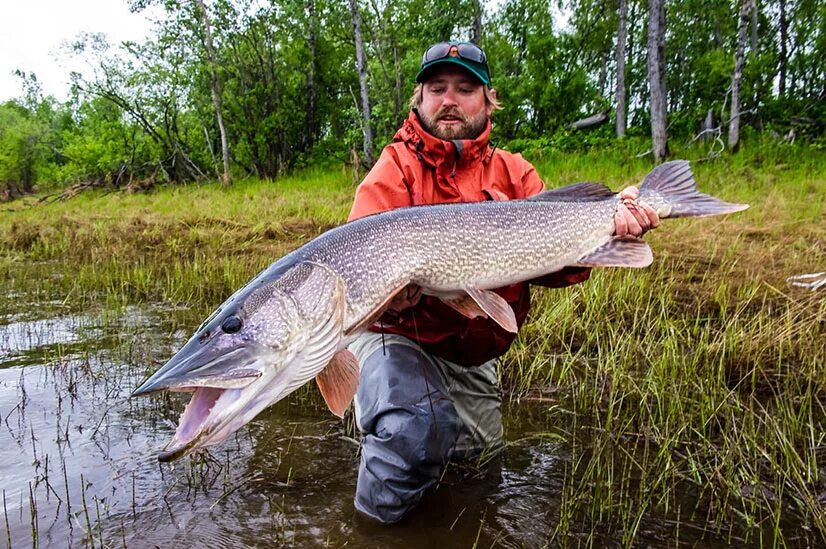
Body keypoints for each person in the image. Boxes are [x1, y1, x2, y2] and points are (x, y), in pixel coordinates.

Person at [346, 41, 659, 524]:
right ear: (420, 99)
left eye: (465, 88)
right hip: (399, 335)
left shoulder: (515, 173)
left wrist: (611, 226)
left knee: (477, 466)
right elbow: (361, 275)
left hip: (471, 349)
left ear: (488, 100)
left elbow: (560, 266)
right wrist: (394, 294)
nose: (449, 99)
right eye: (437, 88)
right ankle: (371, 525)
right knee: (415, 431)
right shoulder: (394, 169)